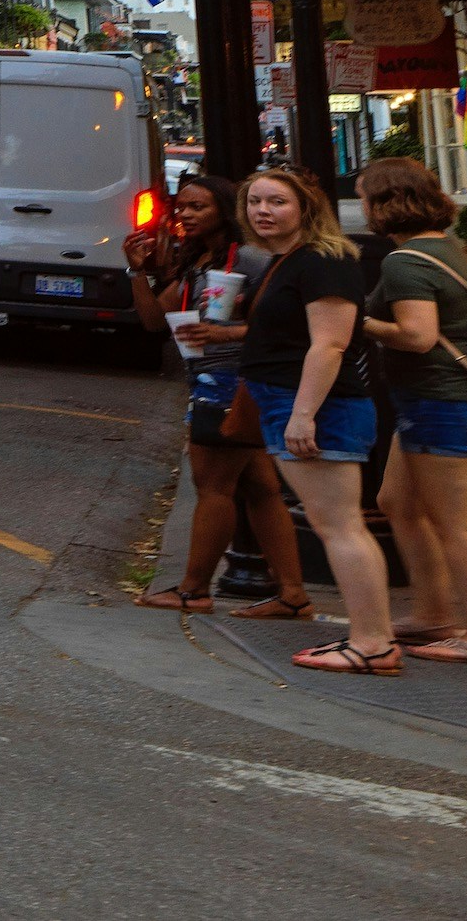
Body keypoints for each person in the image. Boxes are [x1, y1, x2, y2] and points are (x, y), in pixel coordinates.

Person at [234, 164, 398, 675]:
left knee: (340, 526)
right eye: (255, 201)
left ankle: (373, 643)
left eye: (277, 201)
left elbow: (330, 344)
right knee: (337, 525)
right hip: (295, 401)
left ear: (307, 208)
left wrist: (303, 415)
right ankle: (371, 638)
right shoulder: (291, 261)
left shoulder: (323, 262)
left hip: (316, 406)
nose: (263, 210)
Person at [131, 171, 304, 620]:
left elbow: (288, 321)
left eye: (197, 207)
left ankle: (193, 590)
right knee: (261, 489)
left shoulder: (249, 259)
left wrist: (226, 333)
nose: (184, 215)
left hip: (228, 381)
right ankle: (292, 594)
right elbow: (154, 321)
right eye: (181, 207)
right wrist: (137, 269)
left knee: (212, 486)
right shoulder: (199, 263)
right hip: (216, 378)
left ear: (223, 212)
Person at [360, 159, 467, 665]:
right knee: (396, 502)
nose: (362, 206)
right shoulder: (448, 248)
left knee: (457, 525)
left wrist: (361, 323)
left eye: (366, 196)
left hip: (441, 401)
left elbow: (419, 336)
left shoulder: (404, 263)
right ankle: (433, 614)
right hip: (442, 401)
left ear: (385, 203)